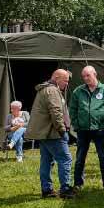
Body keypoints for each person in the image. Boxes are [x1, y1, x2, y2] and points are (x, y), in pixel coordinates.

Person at [27, 70, 75, 198]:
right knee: (65, 159)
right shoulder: (52, 90)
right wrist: (62, 129)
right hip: (53, 133)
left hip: (45, 133)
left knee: (46, 160)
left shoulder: (45, 89)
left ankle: (47, 189)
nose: (66, 83)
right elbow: (56, 112)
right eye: (65, 80)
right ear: (57, 78)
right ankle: (65, 189)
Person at [70, 65, 104, 190]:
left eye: (88, 75)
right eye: (83, 76)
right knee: (80, 157)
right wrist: (76, 124)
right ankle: (78, 183)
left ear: (95, 74)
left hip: (100, 130)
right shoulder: (78, 91)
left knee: (103, 157)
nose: (85, 78)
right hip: (82, 130)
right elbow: (72, 110)